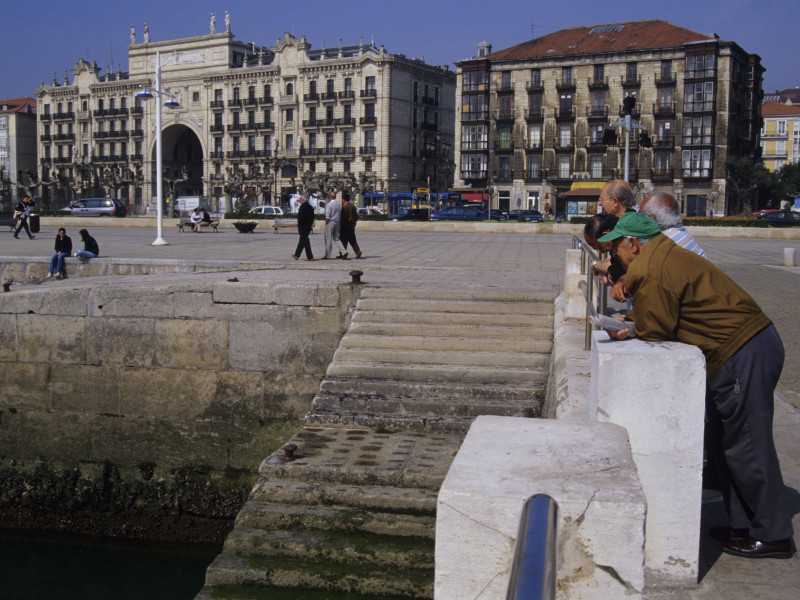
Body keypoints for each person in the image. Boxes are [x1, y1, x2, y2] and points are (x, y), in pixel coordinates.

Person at [600, 212, 794, 560]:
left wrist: (631, 326)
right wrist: (633, 316)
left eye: (617, 245)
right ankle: (743, 525)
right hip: (750, 346)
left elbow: (657, 327)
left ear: (633, 244)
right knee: (725, 446)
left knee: (748, 446)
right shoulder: (665, 252)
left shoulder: (649, 267)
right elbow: (667, 307)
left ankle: (773, 533)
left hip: (741, 352)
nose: (615, 253)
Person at [639, 192, 705, 257]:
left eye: (639, 216)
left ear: (651, 220)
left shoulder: (662, 246)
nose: (637, 221)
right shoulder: (682, 234)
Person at [322, 191, 347, 259]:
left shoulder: (329, 205)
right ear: (335, 197)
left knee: (328, 240)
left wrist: (326, 223)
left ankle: (328, 255)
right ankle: (344, 251)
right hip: (337, 223)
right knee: (337, 239)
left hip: (330, 223)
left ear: (330, 197)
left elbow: (327, 216)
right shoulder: (338, 204)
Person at [292, 194, 315, 261]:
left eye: (300, 199)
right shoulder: (310, 207)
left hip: (303, 226)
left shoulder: (303, 206)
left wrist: (300, 224)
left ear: (303, 199)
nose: (299, 200)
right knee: (302, 240)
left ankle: (310, 257)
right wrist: (310, 224)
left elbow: (300, 217)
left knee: (305, 241)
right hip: (308, 226)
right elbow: (312, 217)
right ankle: (297, 255)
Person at [339, 191, 362, 259]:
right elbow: (356, 217)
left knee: (343, 240)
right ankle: (358, 251)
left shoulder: (344, 208)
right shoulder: (353, 207)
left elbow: (342, 218)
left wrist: (341, 225)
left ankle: (343, 253)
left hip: (345, 226)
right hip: (351, 226)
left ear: (343, 200)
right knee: (352, 240)